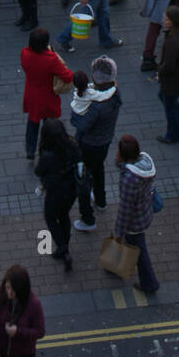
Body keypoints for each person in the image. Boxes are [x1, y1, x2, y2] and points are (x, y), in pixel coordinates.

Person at [70, 54, 122, 230]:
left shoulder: (97, 106)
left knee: (84, 177)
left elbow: (81, 125)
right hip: (105, 142)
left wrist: (75, 115)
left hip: (89, 144)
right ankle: (101, 201)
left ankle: (88, 219)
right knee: (98, 169)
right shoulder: (115, 94)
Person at [113, 134, 159, 295]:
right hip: (143, 212)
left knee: (139, 251)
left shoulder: (129, 180)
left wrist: (119, 231)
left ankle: (150, 283)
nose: (115, 153)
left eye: (118, 151)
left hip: (134, 222)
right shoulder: (143, 168)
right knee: (133, 245)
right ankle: (117, 267)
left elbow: (126, 209)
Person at [20, 27, 73, 159]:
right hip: (47, 96)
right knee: (50, 125)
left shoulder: (25, 54)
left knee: (33, 121)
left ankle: (30, 150)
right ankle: (48, 148)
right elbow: (67, 76)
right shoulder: (51, 59)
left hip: (31, 94)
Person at [35, 117, 80, 270]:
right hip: (71, 189)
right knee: (64, 215)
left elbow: (38, 171)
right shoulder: (72, 144)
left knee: (50, 218)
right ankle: (64, 246)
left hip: (54, 192)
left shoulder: (47, 154)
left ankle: (63, 249)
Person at [0, 265, 46, 357]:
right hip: (2, 355)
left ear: (22, 289)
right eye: (7, 287)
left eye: (14, 289)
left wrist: (18, 332)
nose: (9, 293)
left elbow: (40, 331)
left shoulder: (34, 304)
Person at [157, 4, 179, 143]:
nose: (163, 20)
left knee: (169, 105)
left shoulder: (173, 41)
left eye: (166, 19)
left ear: (173, 21)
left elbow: (169, 65)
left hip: (174, 80)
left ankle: (174, 134)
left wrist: (160, 72)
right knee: (167, 100)